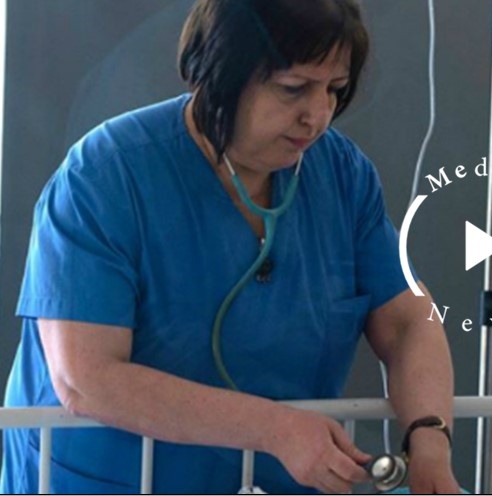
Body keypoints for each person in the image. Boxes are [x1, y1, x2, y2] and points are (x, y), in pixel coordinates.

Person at [1, 0, 459, 493]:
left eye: (334, 89)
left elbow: (408, 322)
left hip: (266, 480)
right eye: (293, 88)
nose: (318, 116)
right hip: (108, 478)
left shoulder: (341, 177)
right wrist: (273, 428)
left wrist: (429, 440)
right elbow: (86, 378)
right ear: (218, 72)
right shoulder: (106, 177)